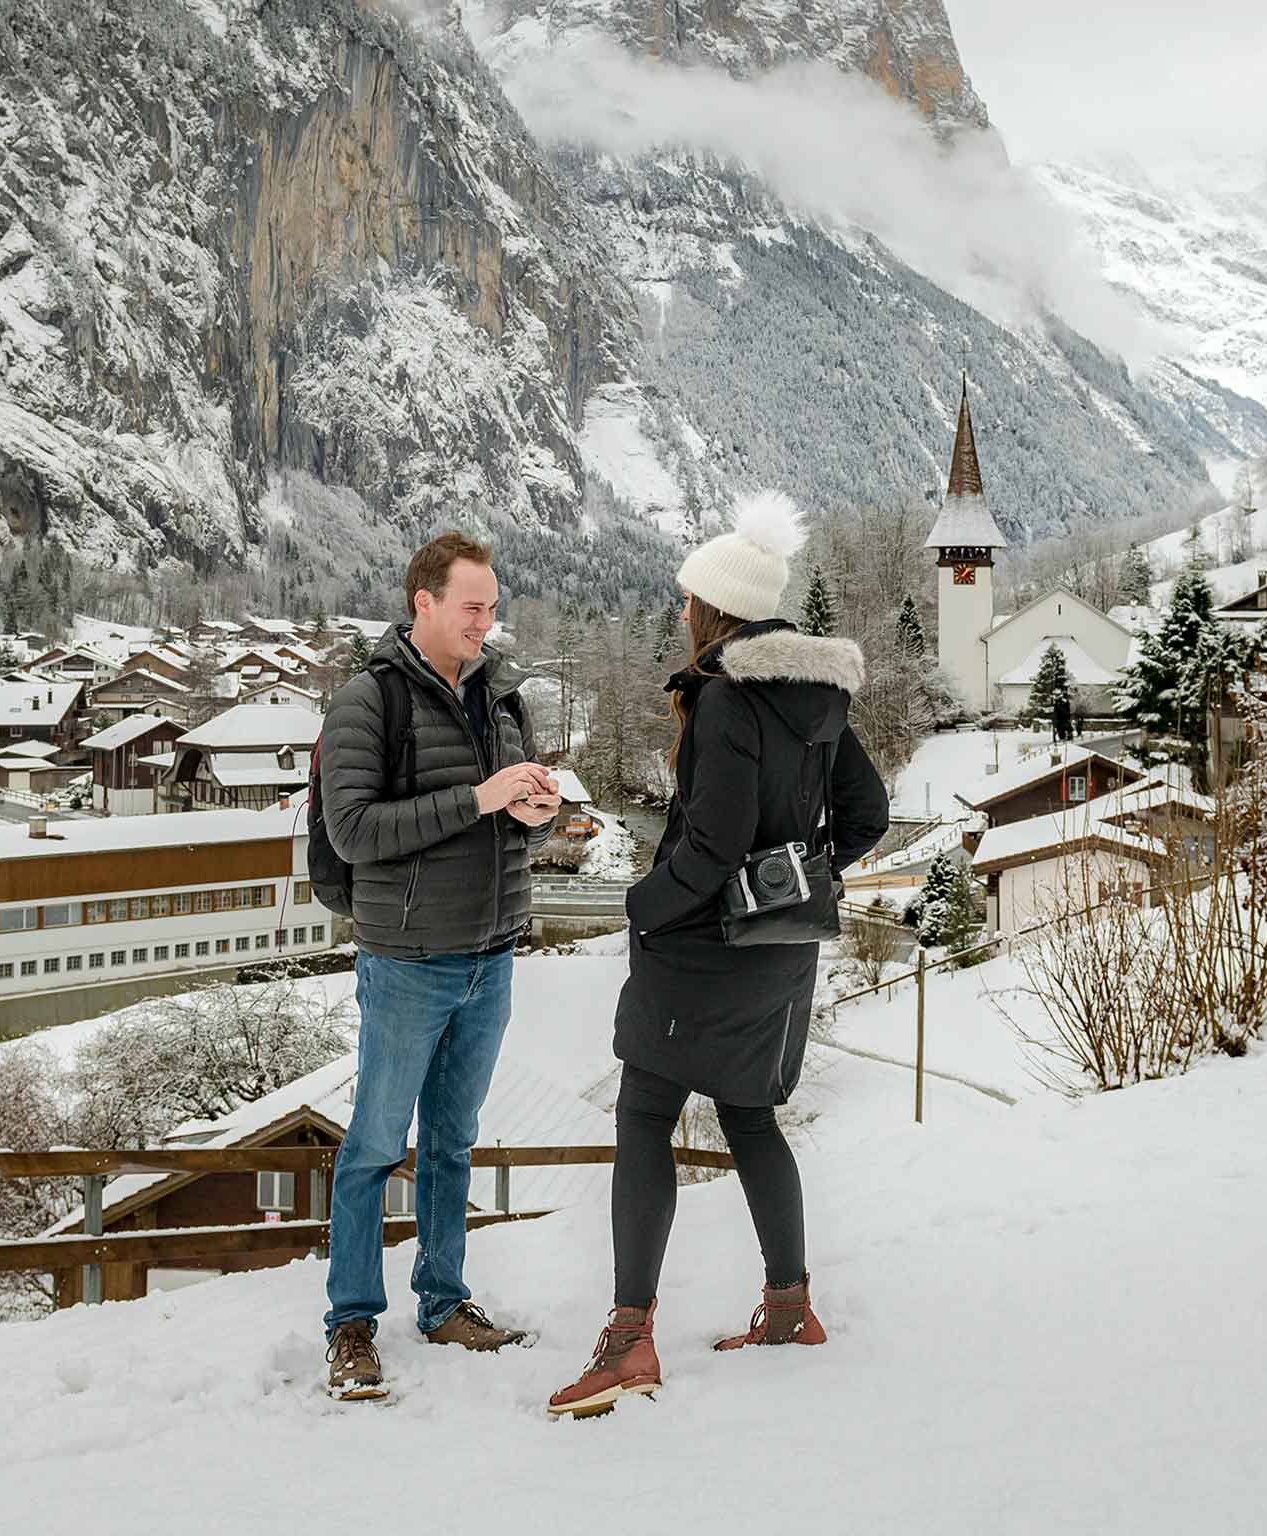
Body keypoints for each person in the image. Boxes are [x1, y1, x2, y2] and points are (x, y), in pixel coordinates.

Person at [549, 491, 890, 1419]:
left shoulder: (729, 697)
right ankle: (789, 1308)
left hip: (698, 950)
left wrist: (641, 905)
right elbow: (868, 815)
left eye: (688, 601)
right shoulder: (818, 698)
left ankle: (628, 1340)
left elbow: (711, 840)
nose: (682, 615)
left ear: (715, 611)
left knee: (644, 1117)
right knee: (749, 1120)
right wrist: (795, 880)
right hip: (780, 955)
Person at [318, 531, 562, 1402]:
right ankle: (352, 1323)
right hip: (408, 959)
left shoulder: (501, 698)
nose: (487, 623)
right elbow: (354, 831)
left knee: (452, 1143)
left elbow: (509, 822)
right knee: (375, 1145)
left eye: (493, 608)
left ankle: (444, 1301)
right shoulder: (366, 701)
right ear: (423, 602)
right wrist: (481, 797)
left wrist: (534, 814)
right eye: (473, 608)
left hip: (491, 955)